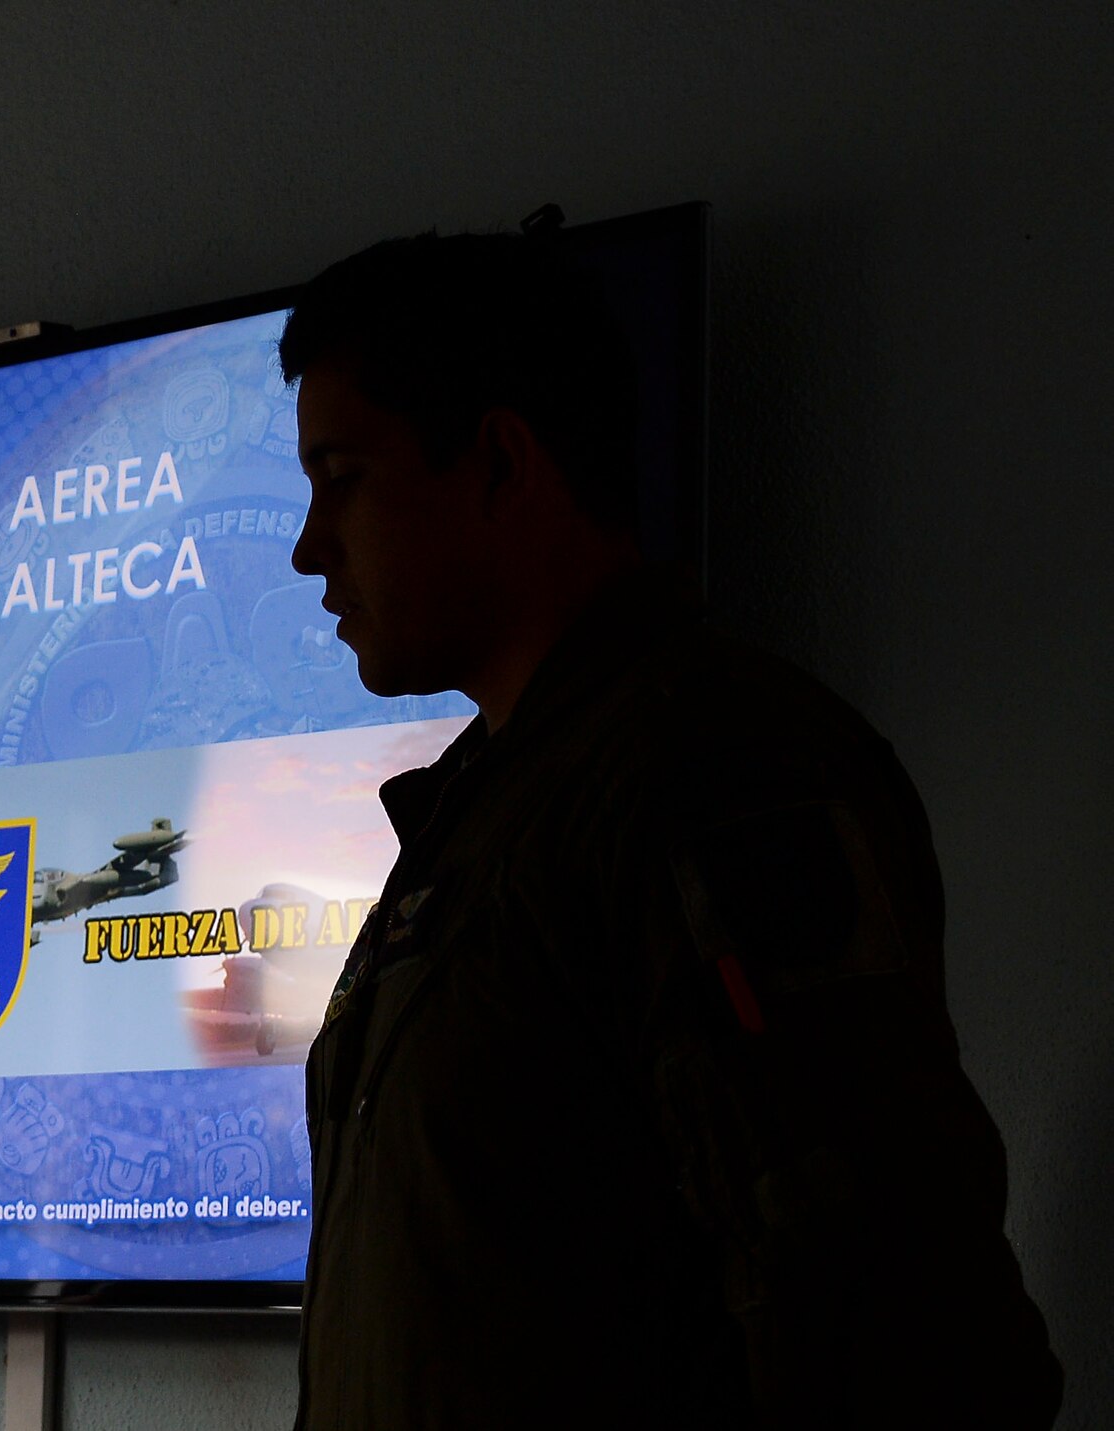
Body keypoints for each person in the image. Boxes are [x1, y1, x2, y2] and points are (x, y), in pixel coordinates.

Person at [282, 230, 1061, 1429]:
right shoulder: (487, 811)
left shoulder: (711, 770)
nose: (306, 546)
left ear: (498, 463)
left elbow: (887, 1316)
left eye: (343, 476)